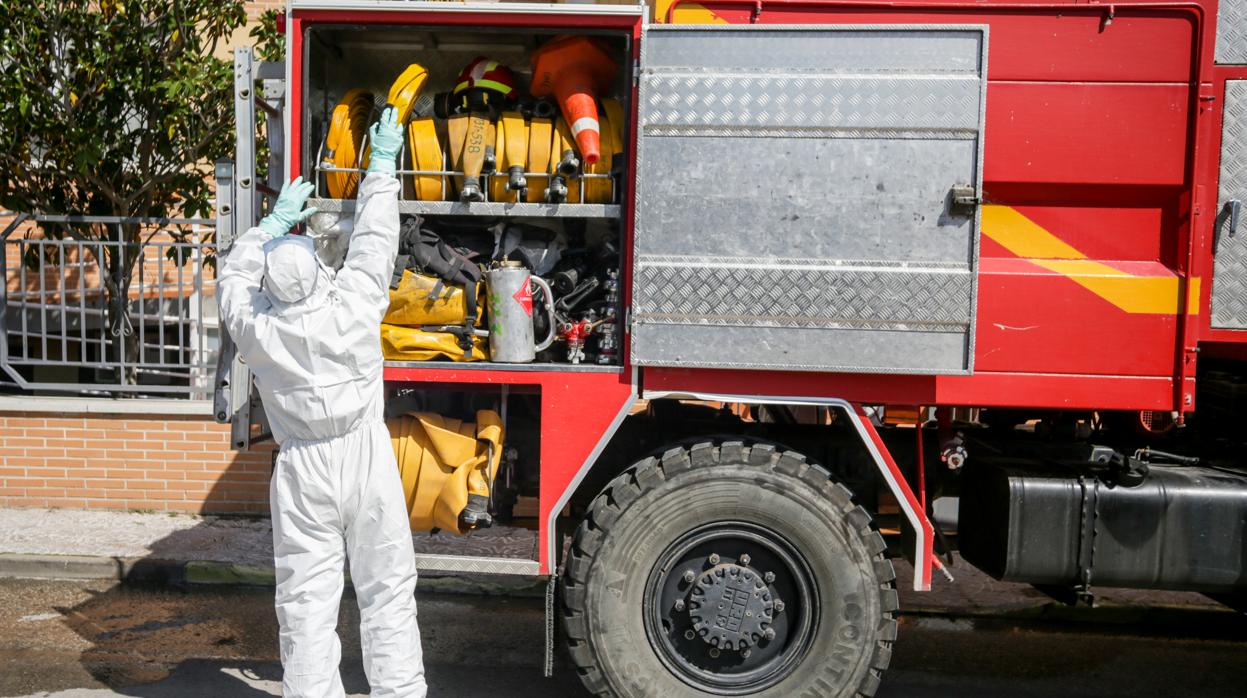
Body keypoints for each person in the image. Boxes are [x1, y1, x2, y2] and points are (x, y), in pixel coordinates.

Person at [218, 108, 425, 698]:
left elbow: (233, 278)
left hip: (301, 466)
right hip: (364, 454)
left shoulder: (256, 329)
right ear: (319, 273)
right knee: (386, 591)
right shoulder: (354, 304)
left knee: (306, 603)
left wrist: (270, 223)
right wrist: (381, 165)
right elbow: (376, 238)